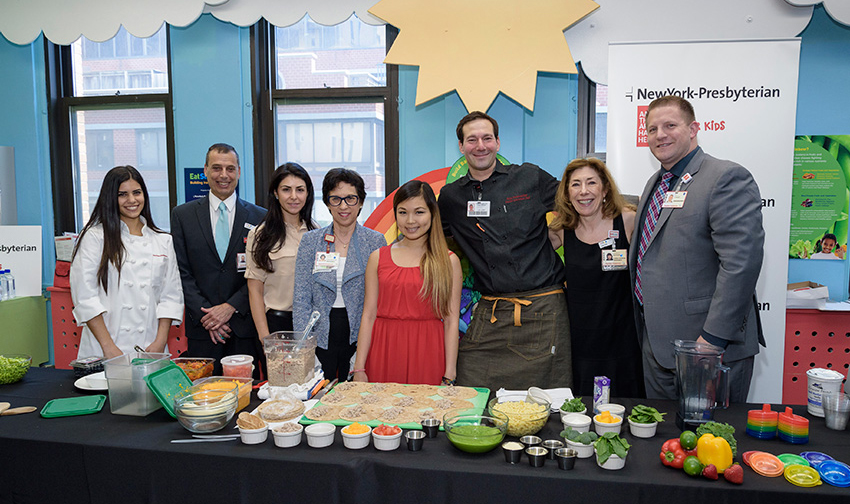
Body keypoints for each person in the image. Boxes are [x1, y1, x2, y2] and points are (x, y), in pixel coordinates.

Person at [629, 96, 765, 402]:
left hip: (708, 349)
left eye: (670, 125)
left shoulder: (725, 177)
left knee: (711, 443)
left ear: (694, 129)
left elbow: (740, 265)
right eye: (652, 129)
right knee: (661, 443)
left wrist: (712, 340)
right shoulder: (656, 183)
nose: (660, 134)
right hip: (658, 348)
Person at [437, 111, 572, 392]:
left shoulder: (529, 177)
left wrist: (556, 234)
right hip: (492, 310)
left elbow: (576, 204)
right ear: (461, 148)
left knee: (548, 396)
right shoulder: (451, 197)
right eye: (471, 140)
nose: (480, 145)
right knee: (470, 381)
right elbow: (432, 236)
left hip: (543, 308)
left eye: (487, 138)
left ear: (498, 142)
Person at [549, 157, 645, 398]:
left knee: (625, 406)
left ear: (604, 188)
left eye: (591, 183)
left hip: (622, 336)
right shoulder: (562, 228)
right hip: (580, 337)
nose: (584, 191)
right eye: (575, 184)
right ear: (567, 194)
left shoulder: (628, 221)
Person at [352, 180, 462, 385]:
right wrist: (358, 367)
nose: (410, 220)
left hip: (429, 354)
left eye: (419, 212)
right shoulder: (377, 257)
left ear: (432, 214)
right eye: (403, 212)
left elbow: (451, 320)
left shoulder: (448, 261)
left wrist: (450, 373)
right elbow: (368, 316)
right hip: (383, 351)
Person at [171, 143, 267, 377]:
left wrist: (231, 307)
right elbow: (181, 272)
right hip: (203, 328)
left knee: (246, 399)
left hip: (244, 327)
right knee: (202, 398)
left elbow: (262, 273)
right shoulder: (182, 215)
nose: (224, 175)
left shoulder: (260, 216)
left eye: (230, 169)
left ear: (239, 172)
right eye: (216, 168)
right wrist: (208, 315)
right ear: (205, 170)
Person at [70, 165, 183, 359]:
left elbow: (170, 296)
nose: (132, 200)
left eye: (137, 193)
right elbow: (85, 297)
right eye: (122, 194)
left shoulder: (163, 240)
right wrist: (108, 347)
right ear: (111, 198)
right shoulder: (95, 237)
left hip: (151, 346)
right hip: (104, 347)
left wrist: (160, 341)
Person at [293, 168, 386, 381]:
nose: (343, 206)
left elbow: (380, 300)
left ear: (361, 202)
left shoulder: (375, 242)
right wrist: (304, 349)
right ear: (327, 203)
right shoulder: (311, 241)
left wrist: (363, 354)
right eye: (336, 199)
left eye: (351, 199)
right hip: (320, 331)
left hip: (359, 329)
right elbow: (301, 299)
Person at [245, 163, 317, 342]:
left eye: (300, 190)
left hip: (311, 324)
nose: (294, 197)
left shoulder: (316, 231)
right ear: (276, 193)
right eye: (286, 190)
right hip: (276, 324)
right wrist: (265, 337)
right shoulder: (260, 234)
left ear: (307, 194)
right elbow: (255, 290)